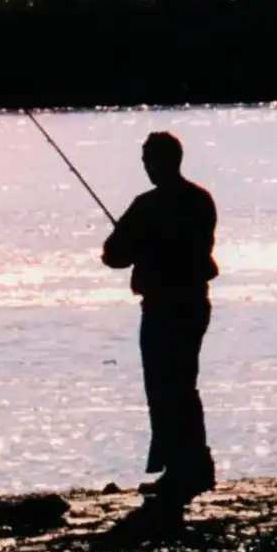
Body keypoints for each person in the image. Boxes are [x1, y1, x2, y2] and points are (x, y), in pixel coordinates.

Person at [101, 131, 218, 506]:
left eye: (147, 160)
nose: (146, 167)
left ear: (159, 162)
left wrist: (139, 246)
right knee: (184, 384)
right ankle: (191, 465)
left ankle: (183, 468)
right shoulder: (201, 200)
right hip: (195, 304)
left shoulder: (147, 206)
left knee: (164, 387)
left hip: (163, 307)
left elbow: (112, 254)